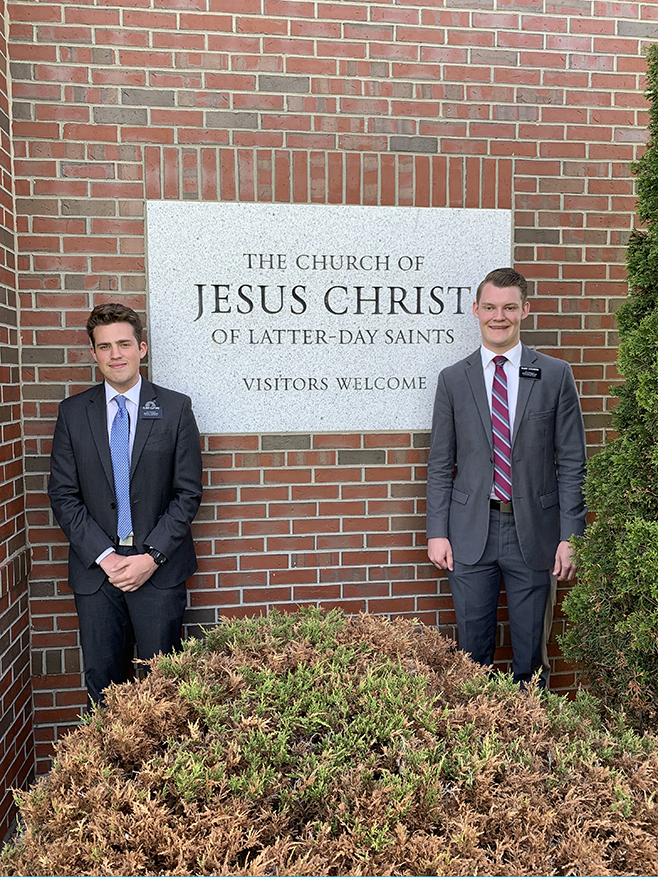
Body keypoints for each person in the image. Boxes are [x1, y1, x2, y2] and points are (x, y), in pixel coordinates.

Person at [426, 267, 586, 687]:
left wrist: (572, 535)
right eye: (491, 307)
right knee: (471, 655)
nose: (500, 316)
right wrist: (436, 532)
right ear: (476, 310)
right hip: (469, 532)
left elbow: (572, 462)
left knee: (531, 657)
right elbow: (441, 464)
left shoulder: (554, 375)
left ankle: (531, 745)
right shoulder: (454, 380)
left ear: (525, 311)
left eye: (510, 307)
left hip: (535, 531)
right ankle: (478, 748)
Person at [48, 303, 203, 707]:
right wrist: (105, 556)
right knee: (103, 689)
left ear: (142, 348)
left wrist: (150, 556)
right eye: (104, 347)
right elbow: (63, 494)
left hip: (159, 570)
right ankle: (107, 771)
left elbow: (187, 493)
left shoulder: (175, 408)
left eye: (123, 344)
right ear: (94, 354)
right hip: (97, 574)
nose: (115, 354)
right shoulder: (73, 413)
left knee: (162, 692)